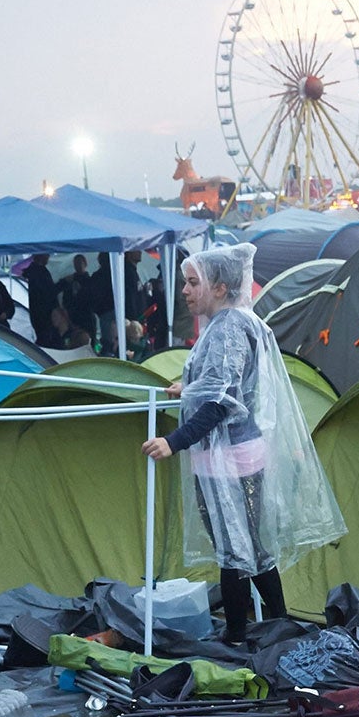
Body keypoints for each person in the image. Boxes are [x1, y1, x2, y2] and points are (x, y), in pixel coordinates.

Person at [141, 245, 346, 644]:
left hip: (227, 459)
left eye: (192, 282)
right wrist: (190, 388)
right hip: (233, 454)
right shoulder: (229, 324)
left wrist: (174, 441)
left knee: (234, 553)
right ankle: (278, 624)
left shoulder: (229, 327)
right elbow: (229, 381)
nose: (184, 290)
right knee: (251, 548)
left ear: (219, 287)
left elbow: (223, 400)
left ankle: (236, 637)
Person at [23, 253, 59, 346]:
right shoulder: (38, 272)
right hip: (43, 314)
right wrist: (63, 284)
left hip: (40, 314)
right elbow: (48, 292)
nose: (48, 257)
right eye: (47, 255)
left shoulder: (35, 271)